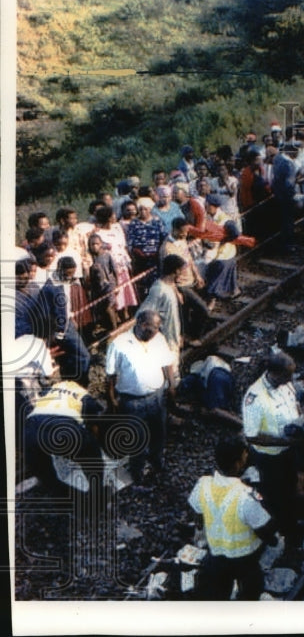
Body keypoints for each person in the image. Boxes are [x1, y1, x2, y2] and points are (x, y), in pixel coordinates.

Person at [188, 436, 275, 600]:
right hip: (245, 558)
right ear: (237, 464)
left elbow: (198, 518)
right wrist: (273, 541)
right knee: (250, 591)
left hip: (216, 553)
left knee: (219, 592)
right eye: (244, 456)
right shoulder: (246, 496)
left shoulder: (203, 484)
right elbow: (264, 530)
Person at [105, 309, 177, 483]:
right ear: (143, 325)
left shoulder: (158, 339)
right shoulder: (119, 344)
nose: (157, 332)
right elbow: (110, 375)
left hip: (157, 397)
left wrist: (172, 385)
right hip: (132, 402)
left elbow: (167, 364)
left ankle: (157, 461)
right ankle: (137, 472)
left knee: (159, 433)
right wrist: (112, 398)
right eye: (154, 328)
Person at [241, 350, 304, 545]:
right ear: (275, 373)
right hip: (270, 459)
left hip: (289, 451)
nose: (291, 379)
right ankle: (283, 531)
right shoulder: (255, 397)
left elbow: (295, 404)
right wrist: (284, 442)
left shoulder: (285, 385)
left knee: (291, 487)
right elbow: (252, 436)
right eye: (288, 375)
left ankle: (292, 520)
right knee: (277, 496)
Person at [23, 380, 105, 496]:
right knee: (93, 455)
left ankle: (61, 495)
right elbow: (94, 425)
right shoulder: (82, 394)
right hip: (63, 428)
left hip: (30, 431)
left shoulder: (51, 389)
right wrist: (91, 446)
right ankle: (97, 491)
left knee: (44, 473)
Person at [35, 256, 92, 385]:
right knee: (84, 356)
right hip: (60, 331)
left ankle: (69, 383)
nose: (70, 278)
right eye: (67, 275)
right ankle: (83, 384)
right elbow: (44, 313)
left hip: (67, 325)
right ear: (60, 270)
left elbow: (65, 305)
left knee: (68, 358)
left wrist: (71, 318)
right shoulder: (50, 288)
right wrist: (52, 334)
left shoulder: (64, 281)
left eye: (72, 274)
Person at [160, 218, 211, 341]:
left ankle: (187, 334)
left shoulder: (182, 240)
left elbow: (189, 258)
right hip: (181, 285)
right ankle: (194, 336)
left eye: (186, 232)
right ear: (175, 230)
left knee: (187, 312)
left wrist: (197, 275)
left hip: (190, 280)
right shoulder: (167, 249)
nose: (185, 234)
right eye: (182, 232)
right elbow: (167, 274)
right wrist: (176, 292)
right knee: (203, 310)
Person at [92, 205, 139, 320]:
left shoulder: (117, 229)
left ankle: (127, 314)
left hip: (122, 265)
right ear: (108, 218)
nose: (114, 217)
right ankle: (118, 318)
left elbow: (123, 246)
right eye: (112, 215)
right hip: (110, 269)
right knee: (115, 295)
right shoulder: (98, 234)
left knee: (126, 292)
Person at [139, 253, 187, 363]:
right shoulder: (159, 290)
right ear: (176, 271)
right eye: (181, 270)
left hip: (172, 339)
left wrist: (178, 335)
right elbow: (143, 314)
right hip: (165, 343)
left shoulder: (169, 287)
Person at [126, 197, 166, 299]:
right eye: (141, 209)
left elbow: (164, 238)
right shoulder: (134, 223)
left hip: (155, 259)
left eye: (145, 209)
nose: (143, 212)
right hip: (140, 260)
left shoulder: (157, 221)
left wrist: (159, 253)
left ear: (150, 209)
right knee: (142, 286)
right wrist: (136, 252)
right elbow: (130, 242)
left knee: (156, 285)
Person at [204, 220, 255, 301]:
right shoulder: (232, 240)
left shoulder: (220, 234)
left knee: (213, 279)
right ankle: (233, 290)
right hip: (231, 258)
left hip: (221, 260)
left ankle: (212, 295)